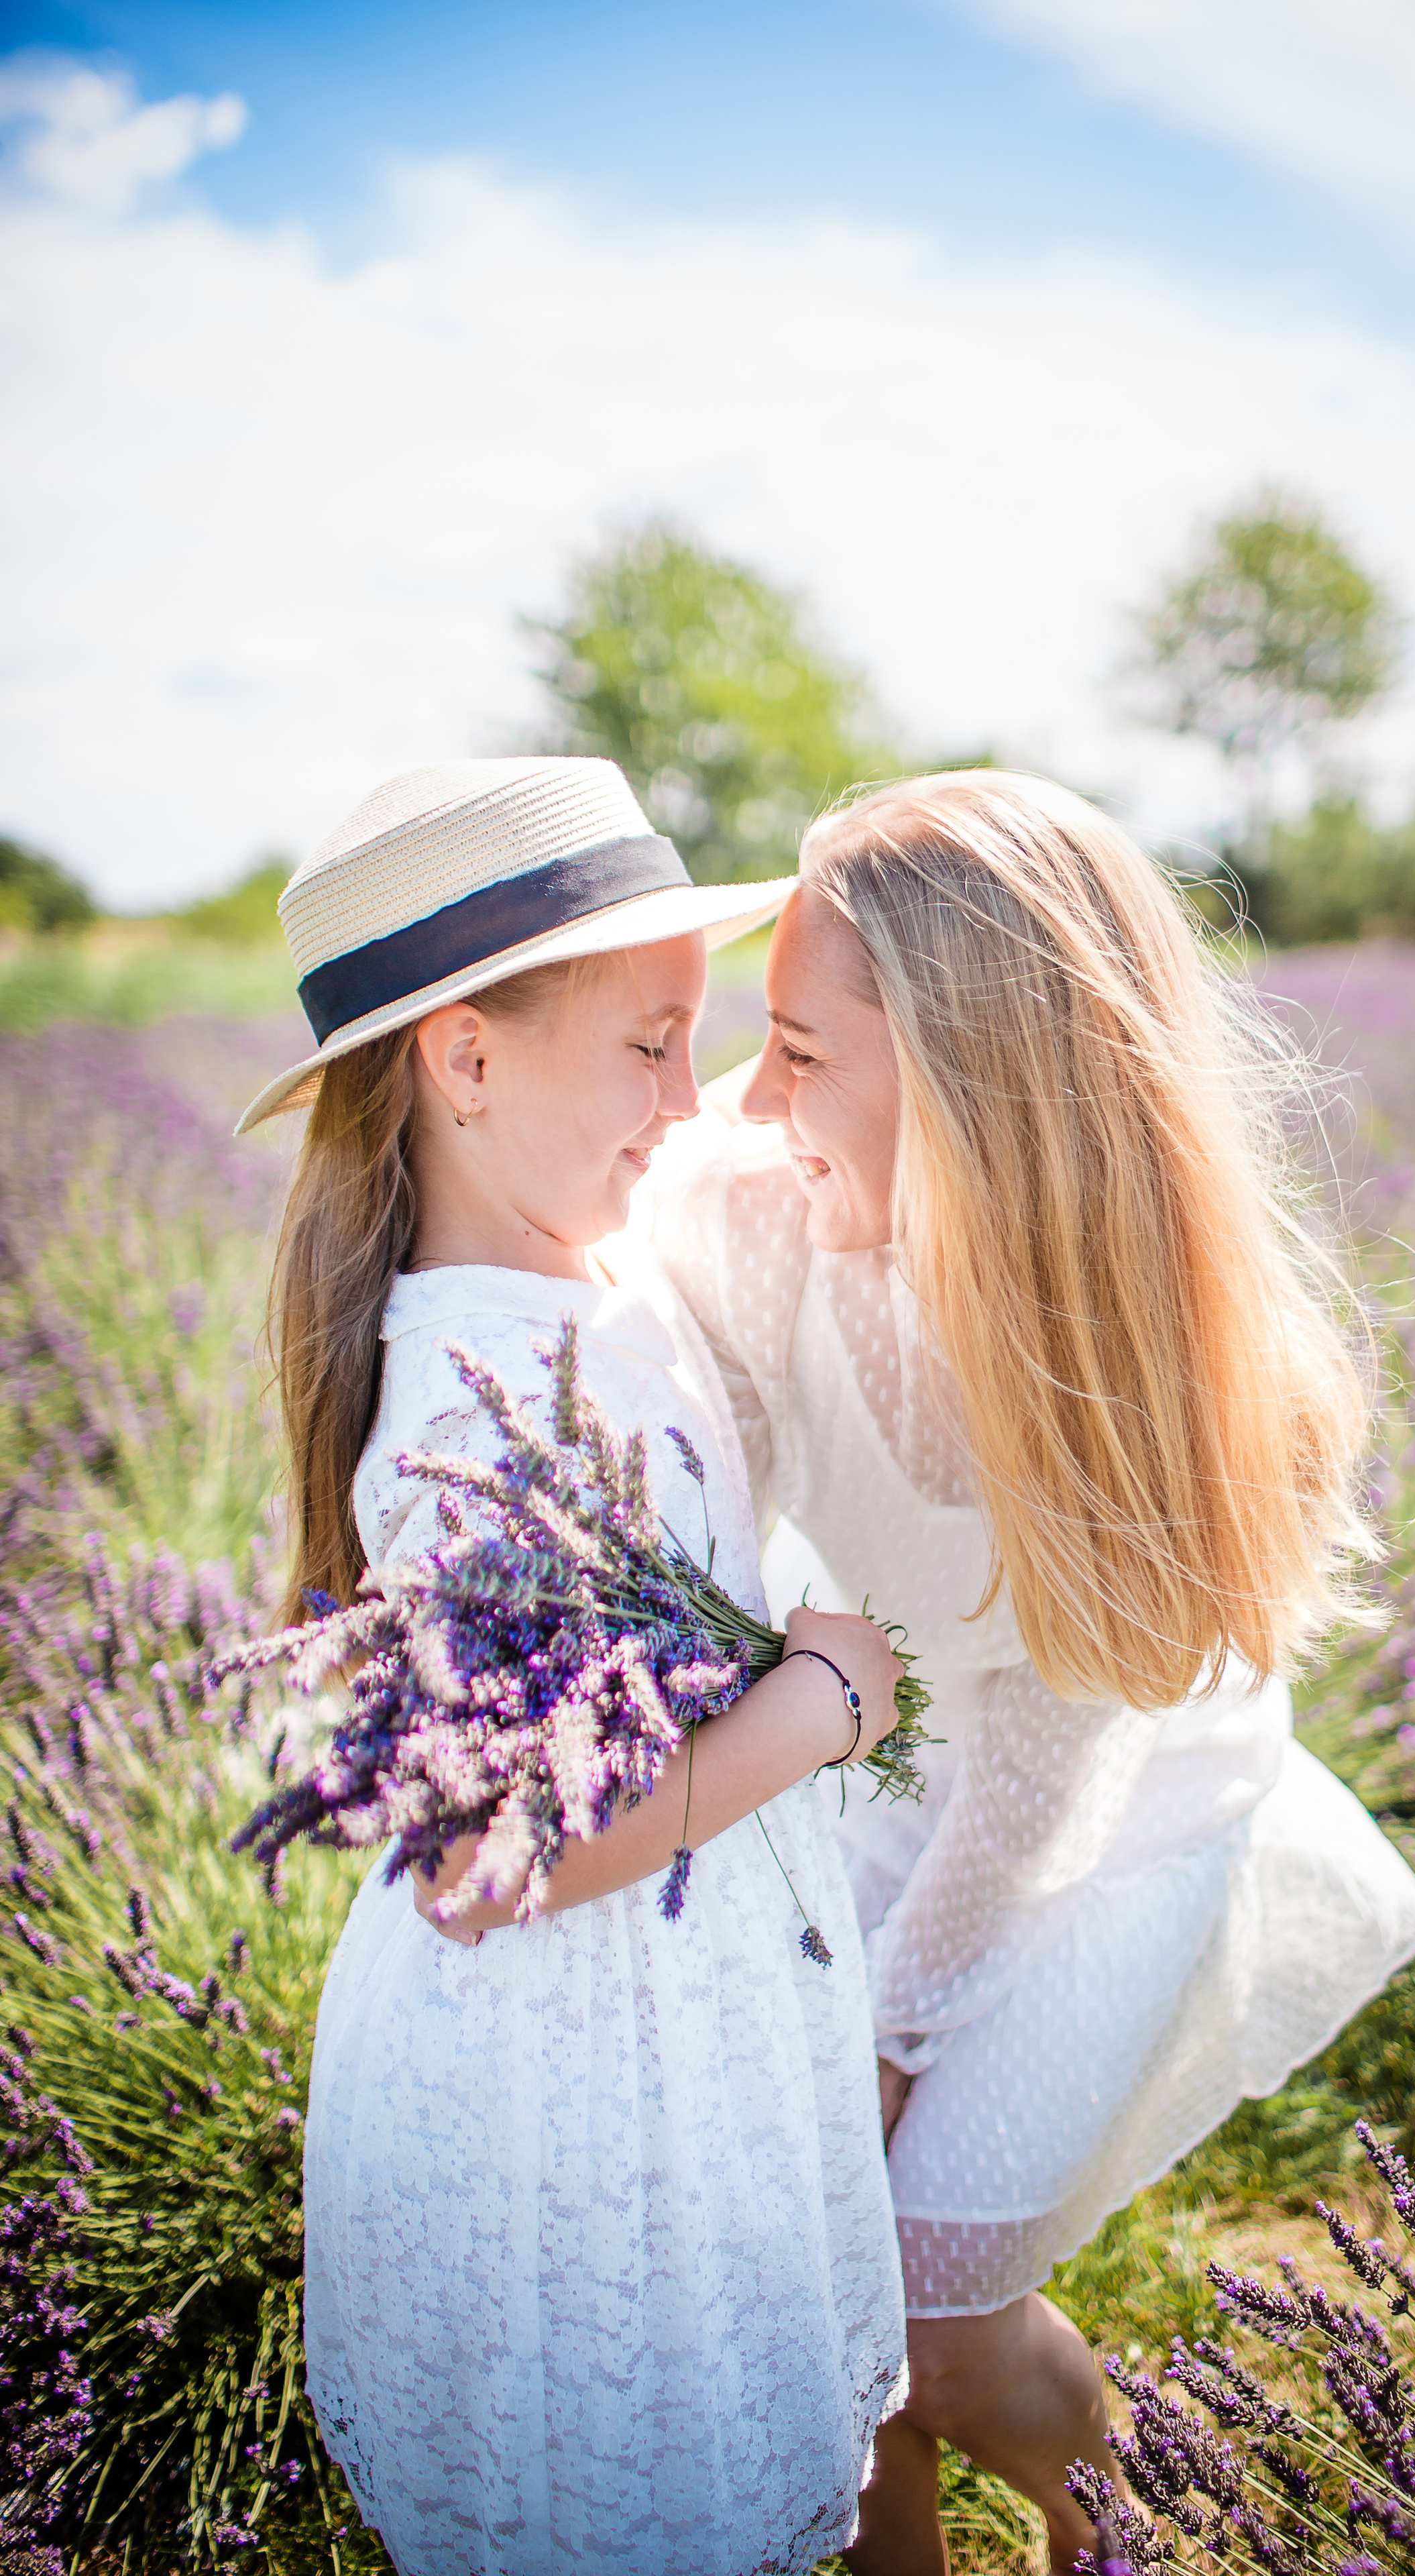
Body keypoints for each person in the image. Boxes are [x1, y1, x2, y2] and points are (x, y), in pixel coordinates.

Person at [646, 769, 1415, 2575]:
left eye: (793, 1051)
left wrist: (892, 2036)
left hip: (1119, 1813)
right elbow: (607, 1292)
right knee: (824, 2331)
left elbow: (1046, 1768)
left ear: (976, 1093)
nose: (748, 1102)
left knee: (935, 2324)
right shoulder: (761, 1200)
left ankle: (1129, 2519)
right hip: (889, 1767)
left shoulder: (1128, 1358)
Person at [236, 757, 909, 2576]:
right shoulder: (472, 1397)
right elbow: (487, 1860)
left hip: (688, 2009)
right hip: (578, 2078)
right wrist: (819, 1705)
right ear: (464, 1062)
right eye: (648, 1047)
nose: (689, 1106)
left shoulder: (597, 1287)